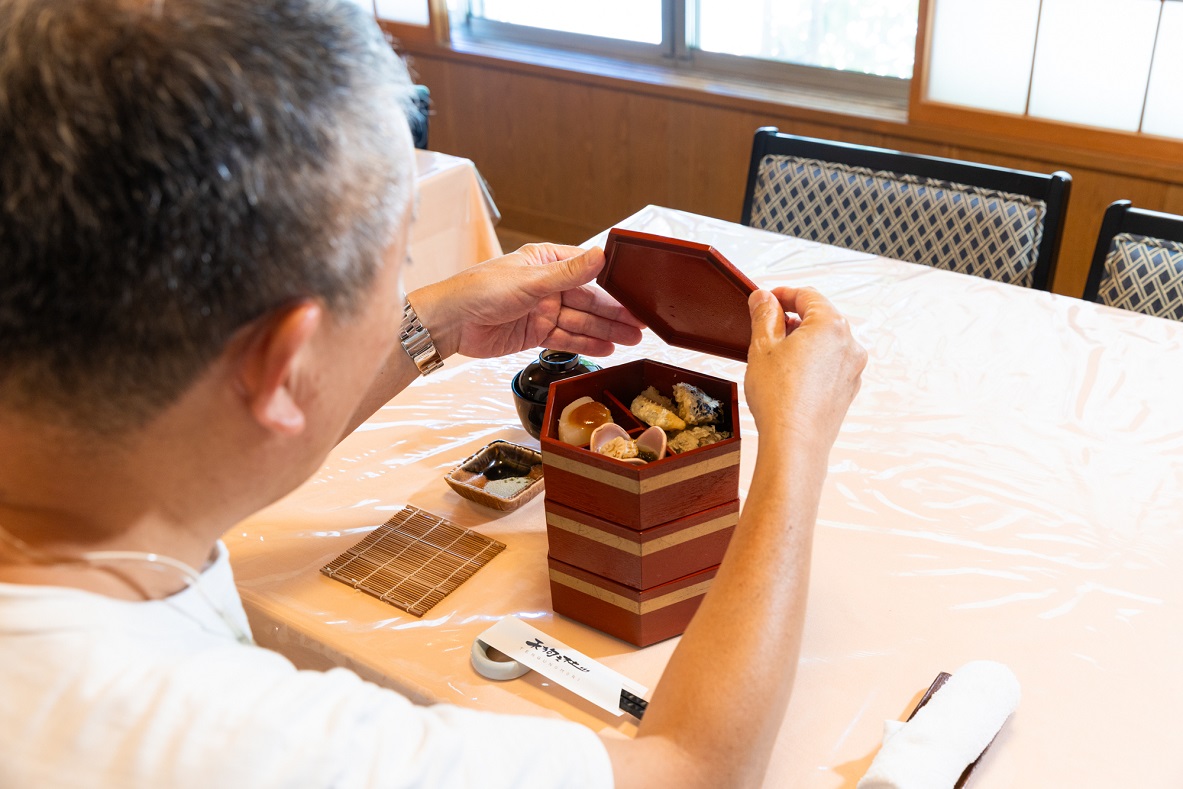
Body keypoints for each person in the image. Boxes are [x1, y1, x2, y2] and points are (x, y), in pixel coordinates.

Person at [0, 0, 866, 786]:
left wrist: (435, 323)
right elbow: (690, 768)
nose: (404, 297)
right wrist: (795, 444)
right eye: (396, 275)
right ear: (282, 364)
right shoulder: (242, 745)